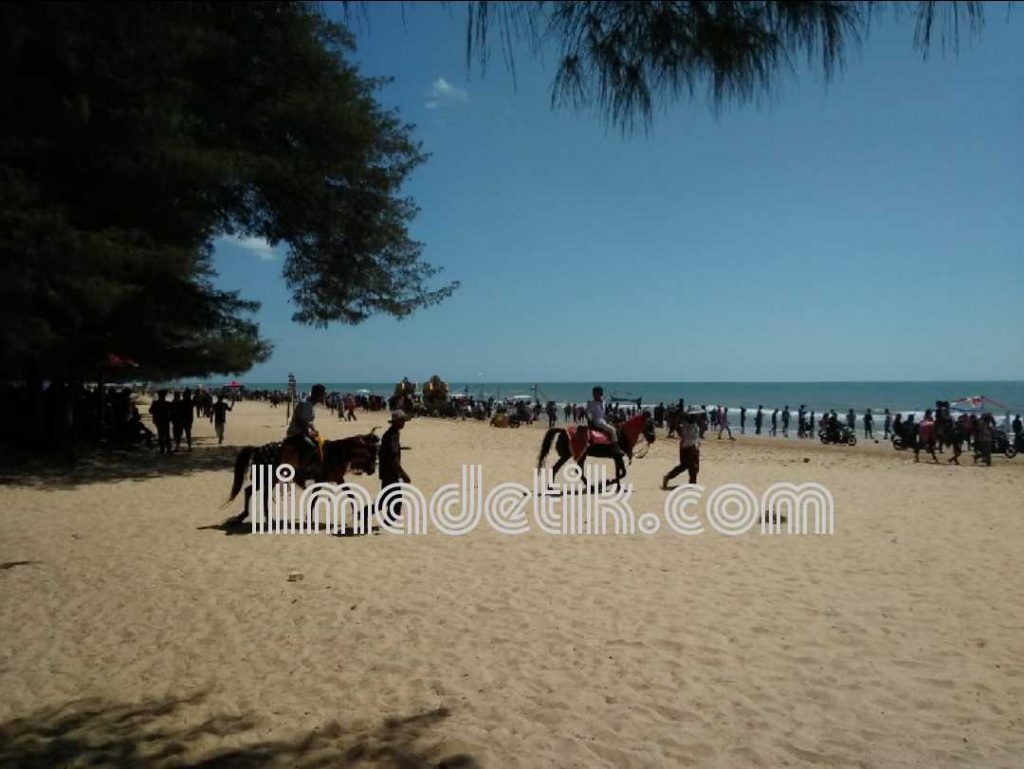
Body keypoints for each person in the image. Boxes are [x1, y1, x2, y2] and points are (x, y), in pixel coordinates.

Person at [285, 383, 326, 472]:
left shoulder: (311, 404)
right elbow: (301, 422)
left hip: (304, 432)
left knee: (321, 443)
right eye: (322, 395)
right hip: (296, 434)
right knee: (311, 447)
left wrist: (315, 430)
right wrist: (308, 433)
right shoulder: (305, 404)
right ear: (316, 394)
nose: (323, 397)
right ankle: (302, 470)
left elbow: (309, 421)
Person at [379, 410, 411, 520]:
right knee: (395, 500)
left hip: (387, 470)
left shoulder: (392, 433)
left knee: (386, 499)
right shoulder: (392, 435)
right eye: (401, 421)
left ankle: (365, 513)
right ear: (395, 422)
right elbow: (393, 457)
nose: (403, 423)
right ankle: (388, 521)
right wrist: (403, 473)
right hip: (390, 471)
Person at [662, 407, 703, 487]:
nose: (699, 416)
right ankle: (692, 484)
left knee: (689, 467)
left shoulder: (694, 423)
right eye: (697, 415)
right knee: (691, 467)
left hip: (694, 447)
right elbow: (680, 430)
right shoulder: (686, 423)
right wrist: (682, 437)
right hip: (687, 447)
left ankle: (668, 477)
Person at [586, 386, 624, 455]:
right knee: (612, 430)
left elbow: (605, 413)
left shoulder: (604, 402)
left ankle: (611, 444)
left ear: (600, 394)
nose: (593, 395)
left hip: (603, 420)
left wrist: (610, 418)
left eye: (595, 394)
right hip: (597, 421)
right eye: (593, 394)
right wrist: (590, 422)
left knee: (617, 427)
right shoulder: (591, 403)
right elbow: (587, 413)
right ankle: (616, 448)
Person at [148, 390, 172, 455]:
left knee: (161, 435)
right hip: (165, 421)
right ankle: (168, 449)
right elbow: (172, 412)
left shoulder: (156, 403)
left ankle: (162, 449)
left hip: (159, 421)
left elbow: (150, 411)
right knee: (166, 435)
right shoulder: (168, 403)